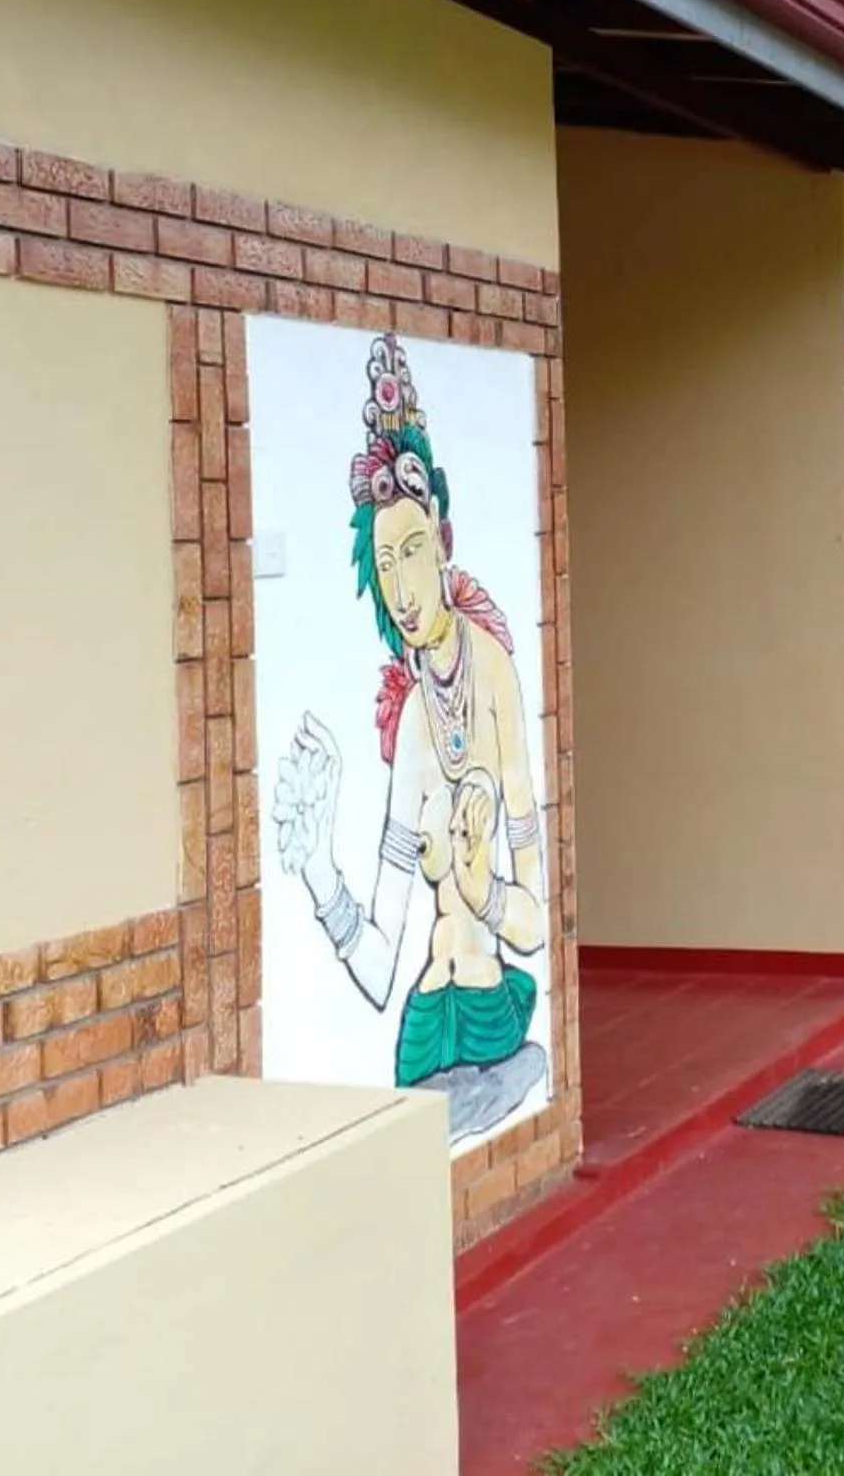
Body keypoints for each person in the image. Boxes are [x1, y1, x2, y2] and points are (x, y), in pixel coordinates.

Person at [272, 333, 549, 1141]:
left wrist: (479, 890)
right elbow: (380, 962)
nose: (399, 586)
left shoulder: (492, 673)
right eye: (383, 563)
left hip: (493, 1019)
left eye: (411, 551)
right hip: (423, 1028)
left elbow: (535, 920)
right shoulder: (415, 720)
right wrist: (320, 869)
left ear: (445, 542)